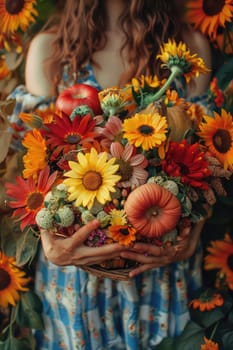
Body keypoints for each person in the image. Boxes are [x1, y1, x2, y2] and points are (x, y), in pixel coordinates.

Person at [9, 1, 212, 349]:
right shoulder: (51, 50)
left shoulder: (188, 48)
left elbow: (208, 163)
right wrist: (49, 242)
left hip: (159, 271)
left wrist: (195, 230)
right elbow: (38, 168)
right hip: (76, 277)